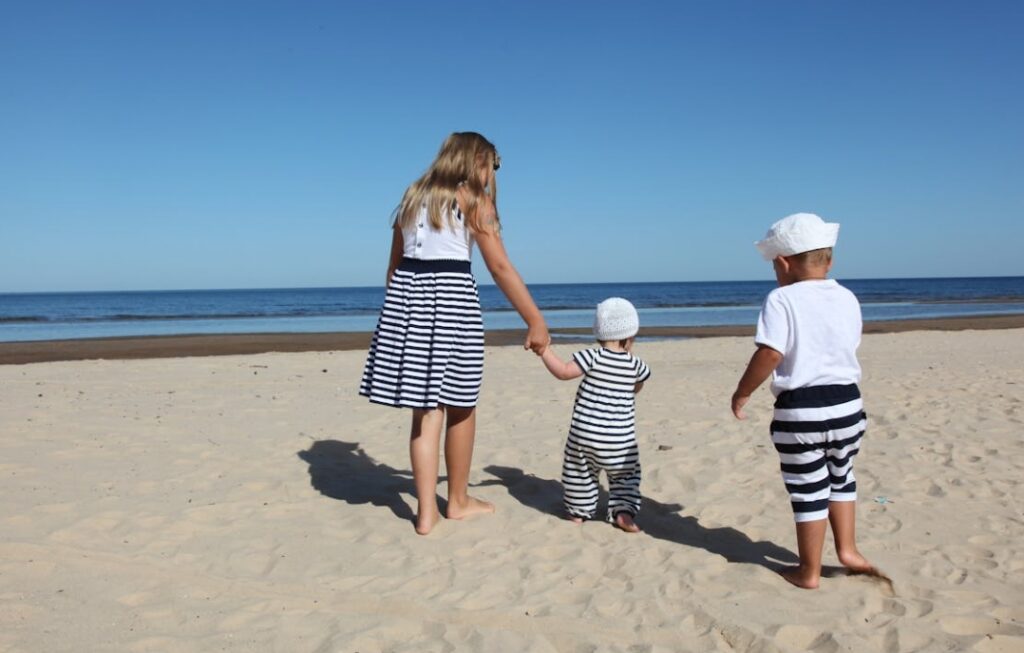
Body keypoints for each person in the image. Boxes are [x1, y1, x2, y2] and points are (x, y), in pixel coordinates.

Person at [359, 132, 550, 535]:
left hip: (407, 303)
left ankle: (425, 512)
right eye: (492, 166)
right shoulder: (472, 199)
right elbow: (499, 267)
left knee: (426, 411)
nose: (492, 174)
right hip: (451, 302)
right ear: (476, 161)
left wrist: (401, 317)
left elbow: (394, 268)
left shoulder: (413, 195)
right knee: (461, 403)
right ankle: (457, 501)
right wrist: (534, 318)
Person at [731, 212, 880, 588]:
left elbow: (770, 353)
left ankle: (808, 571)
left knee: (808, 488)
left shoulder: (781, 299)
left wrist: (743, 391)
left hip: (802, 411)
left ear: (782, 263)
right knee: (842, 476)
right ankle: (848, 550)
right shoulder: (847, 297)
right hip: (848, 406)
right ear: (829, 259)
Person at [540, 297, 651, 533]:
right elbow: (637, 386)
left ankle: (578, 513)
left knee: (579, 472)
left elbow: (563, 372)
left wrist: (544, 351)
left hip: (585, 434)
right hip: (620, 441)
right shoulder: (637, 365)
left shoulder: (592, 356)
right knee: (625, 477)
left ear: (598, 334)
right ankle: (623, 513)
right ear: (631, 336)